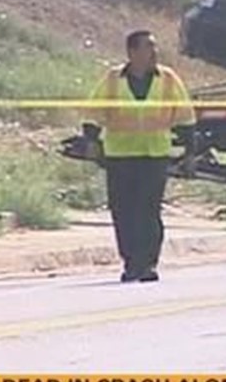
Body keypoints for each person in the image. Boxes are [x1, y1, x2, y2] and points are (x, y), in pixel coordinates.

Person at [84, 30, 196, 283]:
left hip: (154, 155)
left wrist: (190, 152)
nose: (155, 52)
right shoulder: (113, 79)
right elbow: (93, 112)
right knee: (123, 211)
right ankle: (130, 263)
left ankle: (147, 264)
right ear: (132, 52)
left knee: (148, 210)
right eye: (149, 47)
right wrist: (91, 141)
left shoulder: (168, 79)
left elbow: (185, 117)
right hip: (120, 155)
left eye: (155, 47)